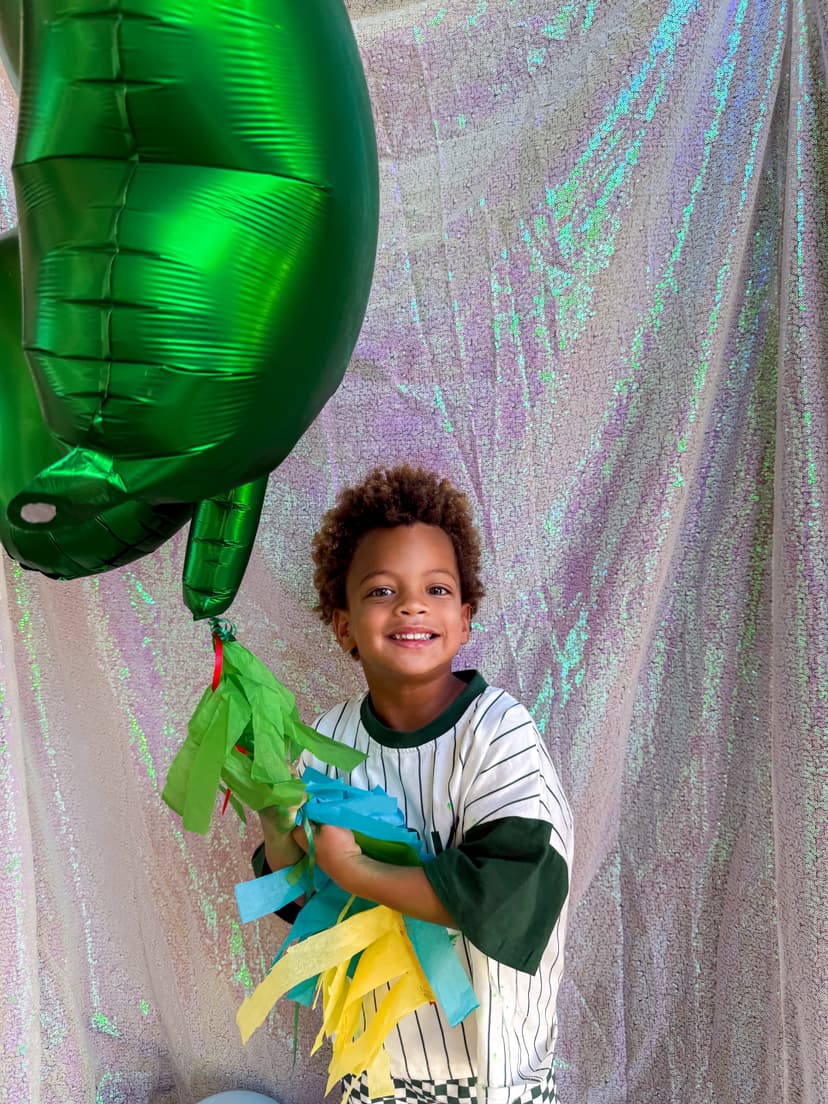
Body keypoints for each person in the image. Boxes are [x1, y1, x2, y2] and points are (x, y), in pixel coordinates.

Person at [255, 465, 574, 1104]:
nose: (411, 605)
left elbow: (512, 890)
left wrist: (357, 871)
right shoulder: (327, 740)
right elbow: (303, 904)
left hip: (492, 1073)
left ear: (463, 618)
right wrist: (276, 823)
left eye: (436, 587)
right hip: (376, 1072)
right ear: (342, 623)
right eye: (380, 591)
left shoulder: (498, 732)